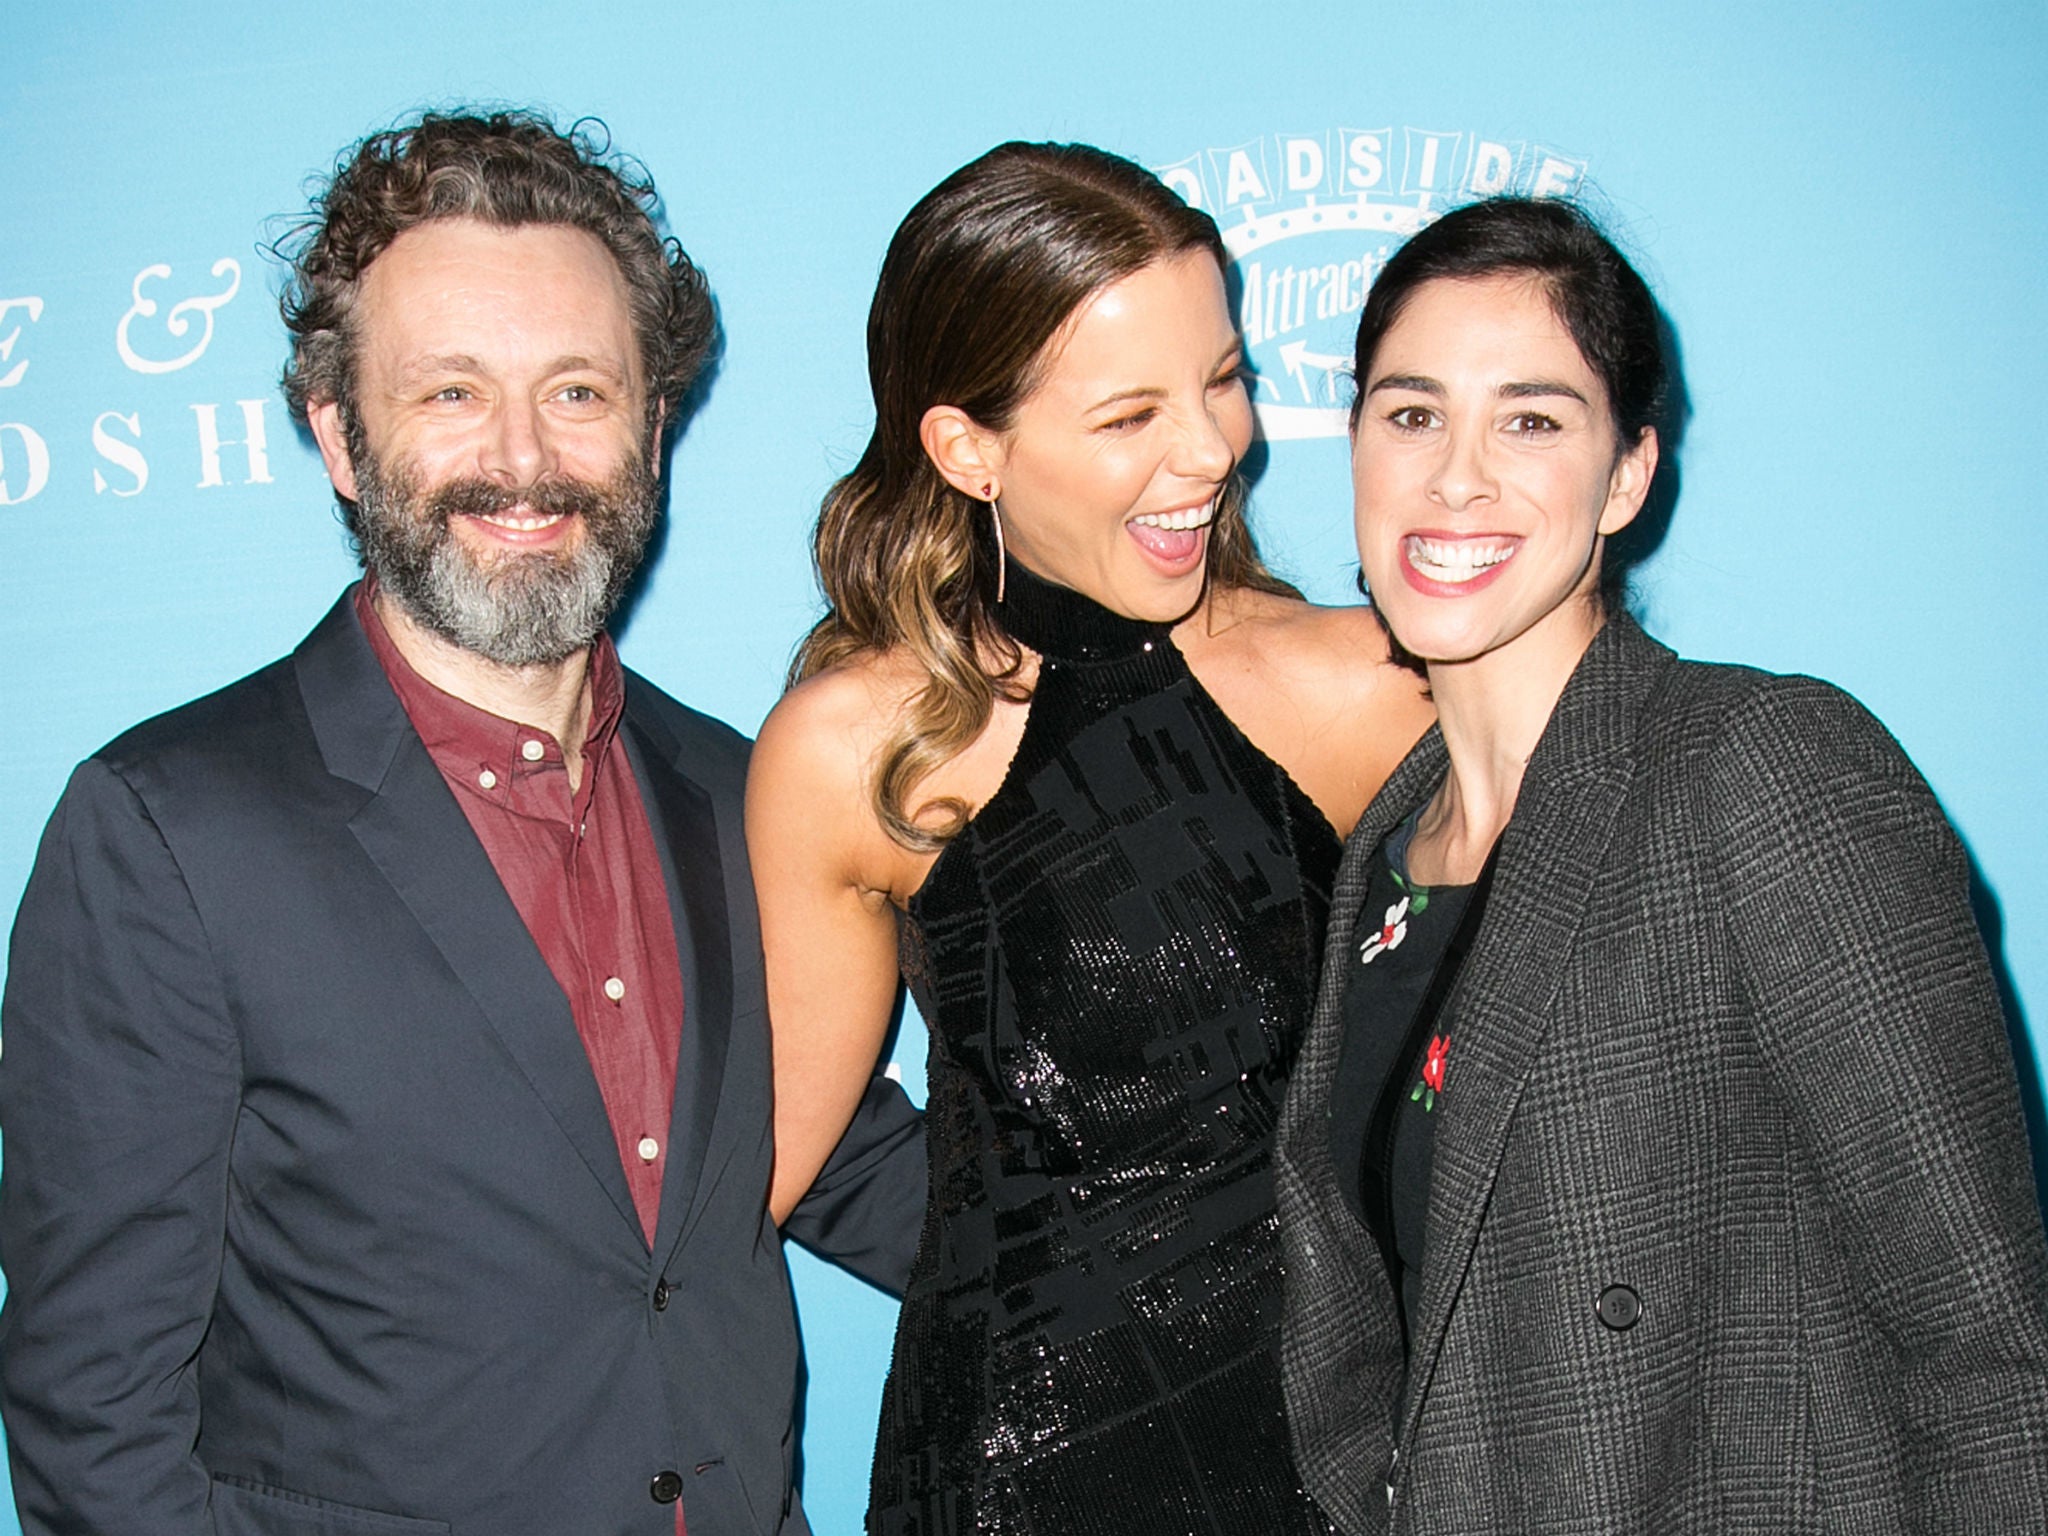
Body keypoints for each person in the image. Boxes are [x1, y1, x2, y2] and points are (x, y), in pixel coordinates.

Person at [0, 109, 923, 1536]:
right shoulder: (167, 833)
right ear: (340, 443)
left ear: (653, 433)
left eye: (576, 392)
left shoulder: (751, 793)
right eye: (448, 395)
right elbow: (94, 1422)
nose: (523, 460)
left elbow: (844, 1158)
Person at [1276, 195, 2048, 1534]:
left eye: (1531, 419)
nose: (1457, 476)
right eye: (1410, 414)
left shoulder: (1760, 767)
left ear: (1626, 474)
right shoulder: (1384, 859)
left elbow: (1990, 1350)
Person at [746, 141, 1434, 1535]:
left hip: (1333, 1463)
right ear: (967, 447)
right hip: (1011, 1468)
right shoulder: (856, 750)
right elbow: (763, 1165)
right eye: (1131, 415)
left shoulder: (1373, 682)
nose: (1213, 449)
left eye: (1224, 380)